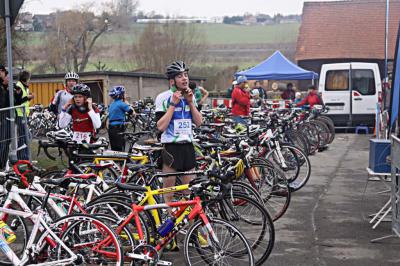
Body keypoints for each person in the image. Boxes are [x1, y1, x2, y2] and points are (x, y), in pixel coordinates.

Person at [155, 61, 202, 206]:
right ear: (172, 81)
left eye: (186, 75)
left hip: (188, 146)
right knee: (168, 193)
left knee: (189, 193)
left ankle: (189, 227)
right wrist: (173, 104)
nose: (184, 78)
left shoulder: (190, 96)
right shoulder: (163, 97)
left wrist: (190, 103)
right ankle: (167, 224)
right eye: (180, 76)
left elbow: (199, 122)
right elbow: (161, 126)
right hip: (171, 148)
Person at [107, 85, 135, 151]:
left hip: (111, 128)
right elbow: (132, 113)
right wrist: (127, 103)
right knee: (120, 149)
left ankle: (115, 161)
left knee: (114, 149)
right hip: (118, 128)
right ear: (121, 95)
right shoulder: (122, 104)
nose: (125, 94)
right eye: (124, 93)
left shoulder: (112, 104)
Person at [14, 70, 33, 160]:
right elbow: (17, 102)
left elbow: (23, 101)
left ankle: (24, 157)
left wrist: (28, 99)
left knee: (26, 136)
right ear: (25, 78)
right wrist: (27, 98)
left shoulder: (25, 87)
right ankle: (22, 157)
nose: (30, 80)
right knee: (24, 136)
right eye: (29, 78)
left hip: (24, 115)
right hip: (20, 115)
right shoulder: (18, 86)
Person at [0, 66, 10, 168]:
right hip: (2, 117)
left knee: (5, 141)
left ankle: (2, 164)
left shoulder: (4, 88)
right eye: (5, 74)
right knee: (3, 142)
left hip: (4, 117)